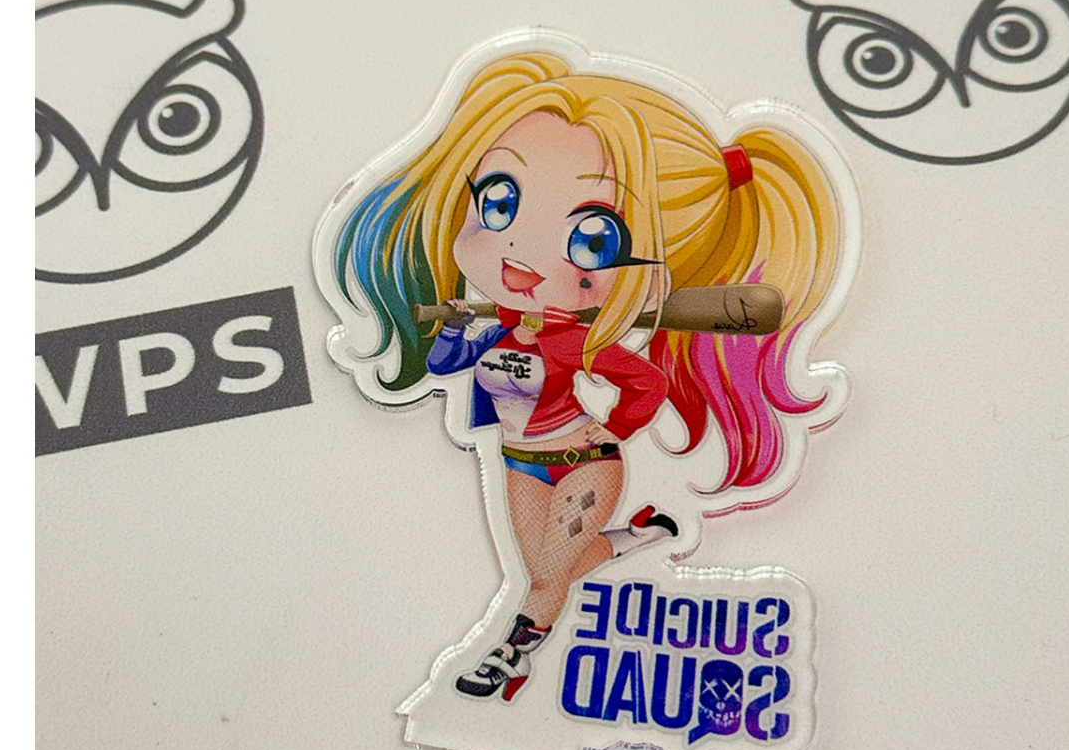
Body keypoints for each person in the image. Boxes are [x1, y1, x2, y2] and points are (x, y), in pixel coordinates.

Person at [333, 52, 840, 701]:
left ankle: (508, 658)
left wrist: (616, 429)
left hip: (583, 465)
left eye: (592, 241)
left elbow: (647, 385)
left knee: (544, 579)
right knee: (551, 569)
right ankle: (642, 534)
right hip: (520, 463)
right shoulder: (491, 325)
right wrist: (457, 328)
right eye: (498, 203)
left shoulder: (576, 340)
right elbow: (442, 366)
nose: (519, 253)